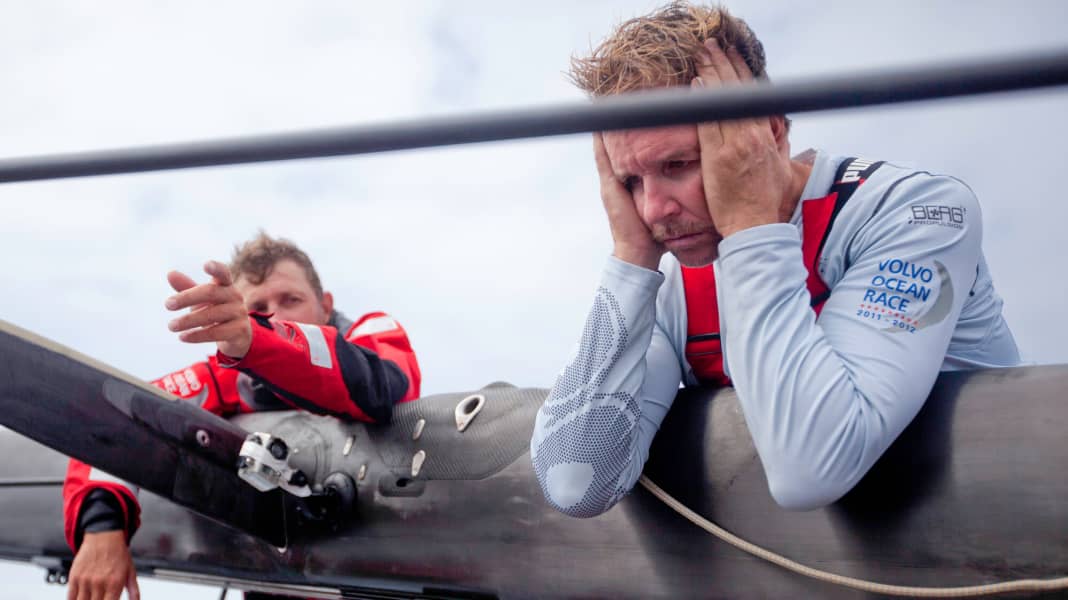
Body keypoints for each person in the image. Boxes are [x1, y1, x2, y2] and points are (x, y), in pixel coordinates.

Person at [531, 2, 1020, 519]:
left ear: (767, 132)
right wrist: (631, 259)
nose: (654, 210)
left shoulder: (917, 211)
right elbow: (575, 483)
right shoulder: (677, 275)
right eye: (630, 180)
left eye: (677, 165)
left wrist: (749, 225)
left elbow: (809, 473)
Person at [63, 232, 422, 600]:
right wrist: (102, 527)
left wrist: (259, 339)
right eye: (259, 307)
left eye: (291, 300)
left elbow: (383, 389)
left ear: (326, 304)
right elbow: (120, 417)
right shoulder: (220, 381)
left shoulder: (374, 334)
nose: (276, 315)